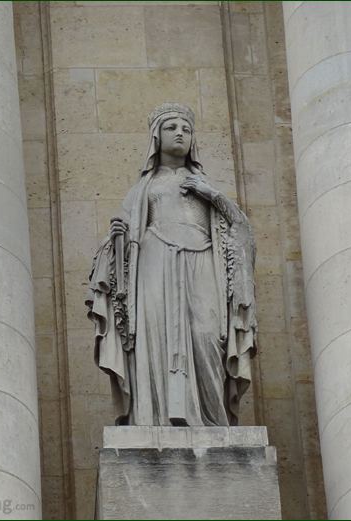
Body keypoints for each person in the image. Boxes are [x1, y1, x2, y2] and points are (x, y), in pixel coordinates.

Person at [85, 102, 257, 427]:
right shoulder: (143, 189)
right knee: (156, 338)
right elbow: (123, 240)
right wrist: (117, 237)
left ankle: (212, 420)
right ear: (156, 137)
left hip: (203, 261)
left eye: (186, 129)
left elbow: (241, 229)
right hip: (154, 262)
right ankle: (156, 419)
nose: (180, 133)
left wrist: (212, 195)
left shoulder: (205, 187)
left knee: (207, 333)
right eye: (171, 128)